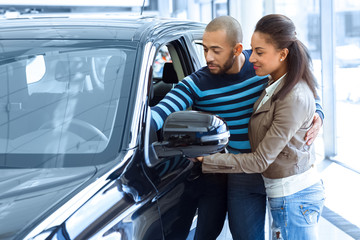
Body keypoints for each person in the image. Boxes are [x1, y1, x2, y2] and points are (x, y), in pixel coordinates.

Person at [151, 16, 324, 240]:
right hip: (242, 171)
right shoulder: (196, 85)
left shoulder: (262, 65)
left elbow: (298, 86)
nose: (208, 58)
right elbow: (159, 114)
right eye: (204, 50)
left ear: (237, 49)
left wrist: (318, 113)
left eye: (216, 50)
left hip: (281, 171)